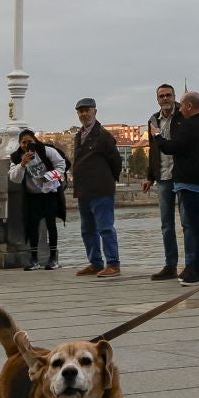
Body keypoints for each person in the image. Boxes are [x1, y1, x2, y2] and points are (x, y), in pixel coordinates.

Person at [152, 90, 199, 283]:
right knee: (197, 227)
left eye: (181, 106)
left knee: (194, 227)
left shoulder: (189, 126)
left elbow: (171, 147)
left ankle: (196, 269)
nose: (180, 109)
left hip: (190, 184)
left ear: (189, 106)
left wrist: (157, 135)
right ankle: (198, 267)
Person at [70, 97, 123, 278]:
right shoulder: (79, 136)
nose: (84, 114)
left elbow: (116, 161)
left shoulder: (103, 136)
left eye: (87, 110)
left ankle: (113, 264)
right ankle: (95, 263)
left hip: (101, 190)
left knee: (105, 228)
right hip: (83, 191)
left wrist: (108, 179)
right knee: (87, 230)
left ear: (95, 111)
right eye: (81, 111)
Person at [8, 128, 68, 270]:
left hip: (49, 193)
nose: (26, 145)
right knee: (32, 226)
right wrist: (22, 164)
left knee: (50, 224)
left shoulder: (46, 151)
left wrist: (47, 177)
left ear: (35, 141)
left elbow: (61, 165)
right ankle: (33, 259)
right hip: (32, 195)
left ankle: (53, 258)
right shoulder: (16, 157)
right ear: (19, 144)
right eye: (23, 142)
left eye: (30, 142)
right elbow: (14, 178)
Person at [142, 83, 180, 280]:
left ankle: (193, 264)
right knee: (166, 224)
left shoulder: (184, 115)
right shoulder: (153, 120)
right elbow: (153, 150)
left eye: (168, 95)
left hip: (182, 175)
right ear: (157, 99)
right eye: (162, 96)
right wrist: (150, 176)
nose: (165, 98)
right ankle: (170, 265)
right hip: (163, 178)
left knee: (188, 223)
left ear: (174, 96)